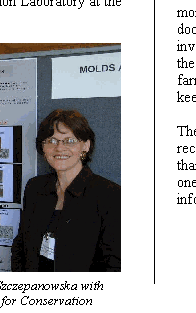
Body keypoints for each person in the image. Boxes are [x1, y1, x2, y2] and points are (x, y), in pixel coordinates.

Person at [11, 110, 121, 272]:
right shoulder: (35, 187)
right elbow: (21, 247)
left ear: (85, 146)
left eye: (69, 141)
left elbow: (113, 265)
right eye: (51, 140)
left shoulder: (110, 195)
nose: (59, 148)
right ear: (43, 147)